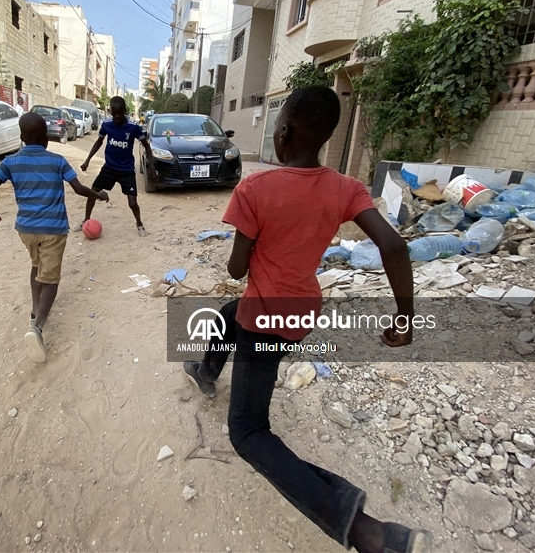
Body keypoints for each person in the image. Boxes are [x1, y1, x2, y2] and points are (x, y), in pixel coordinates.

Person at [182, 86, 430, 553]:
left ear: (283, 133)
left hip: (265, 319)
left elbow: (237, 269)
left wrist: (252, 246)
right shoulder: (346, 187)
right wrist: (405, 319)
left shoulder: (254, 188)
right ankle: (206, 370)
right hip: (299, 311)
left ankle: (367, 532)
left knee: (249, 433)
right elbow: (394, 246)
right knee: (227, 312)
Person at [0, 112, 108, 363]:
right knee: (50, 279)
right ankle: (37, 327)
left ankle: (34, 309)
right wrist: (98, 195)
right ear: (47, 139)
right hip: (53, 230)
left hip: (26, 230)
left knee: (36, 266)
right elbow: (78, 188)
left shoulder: (11, 161)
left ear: (21, 137)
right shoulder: (57, 161)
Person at [73, 96, 157, 237]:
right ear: (111, 111)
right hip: (109, 168)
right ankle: (86, 220)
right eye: (114, 113)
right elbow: (99, 142)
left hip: (127, 170)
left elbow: (147, 147)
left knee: (132, 202)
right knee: (92, 192)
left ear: (125, 110)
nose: (117, 116)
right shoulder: (107, 125)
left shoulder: (133, 127)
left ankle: (139, 224)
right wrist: (87, 160)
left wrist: (152, 167)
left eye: (120, 112)